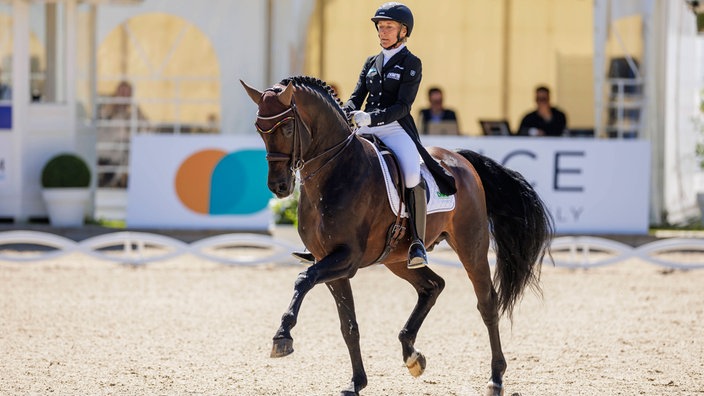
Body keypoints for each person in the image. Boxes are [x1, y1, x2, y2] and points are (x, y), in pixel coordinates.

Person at [294, 2, 456, 269]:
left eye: (389, 27)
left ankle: (416, 242)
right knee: (332, 166)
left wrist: (371, 117)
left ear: (404, 31)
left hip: (395, 128)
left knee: (412, 173)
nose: (383, 32)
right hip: (365, 126)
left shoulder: (411, 63)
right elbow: (356, 97)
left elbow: (403, 106)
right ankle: (317, 239)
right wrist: (343, 114)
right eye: (380, 27)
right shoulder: (372, 62)